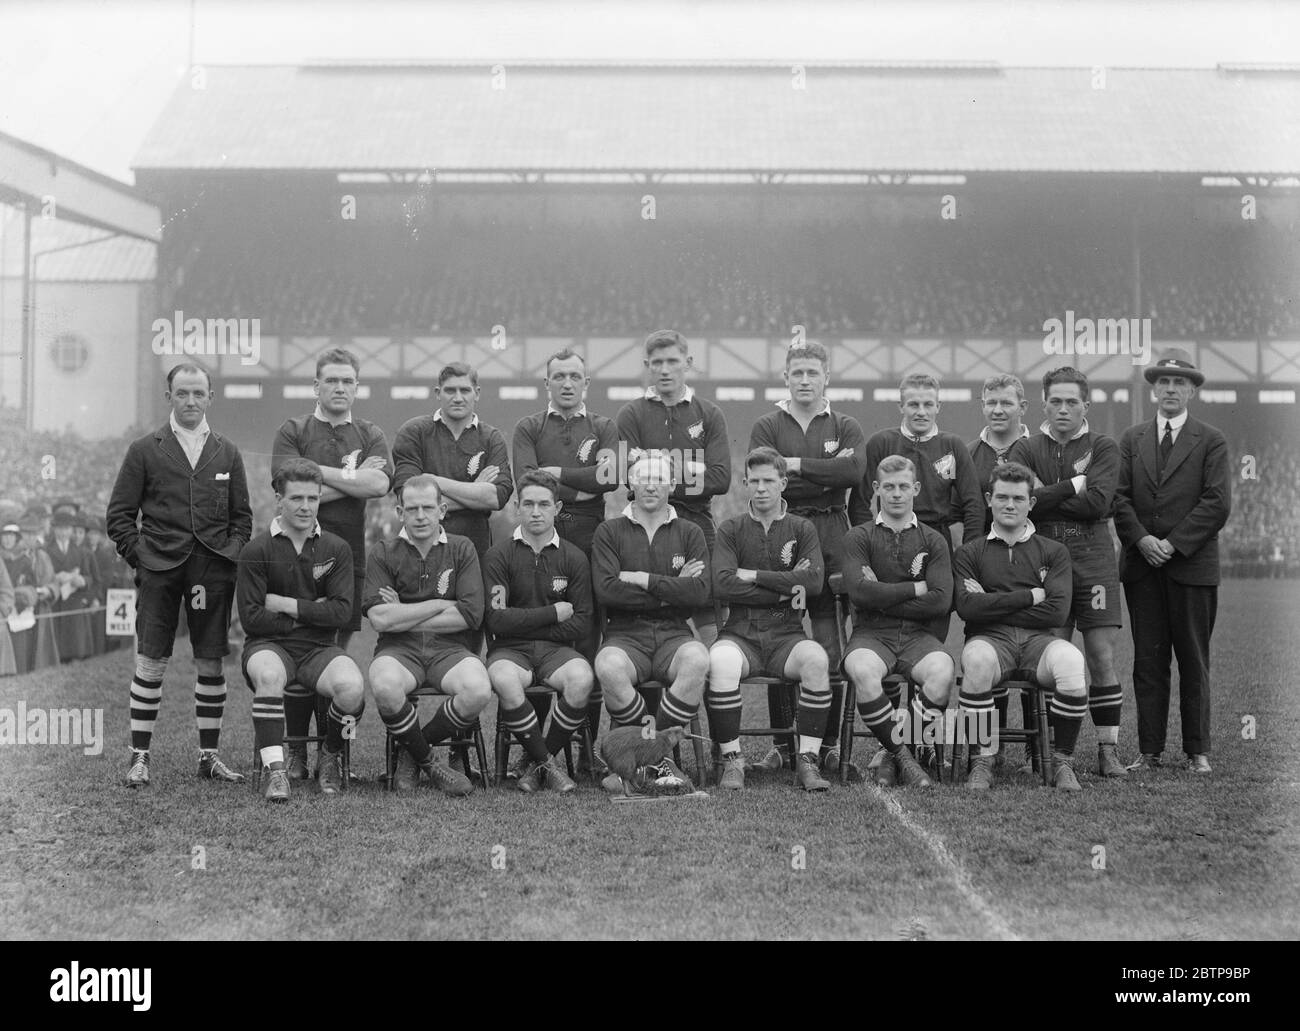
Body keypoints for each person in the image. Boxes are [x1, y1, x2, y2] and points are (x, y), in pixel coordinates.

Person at [107, 362, 252, 787]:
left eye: (198, 393)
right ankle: (139, 756)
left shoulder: (227, 451)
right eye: (182, 393)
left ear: (211, 397)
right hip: (159, 569)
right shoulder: (144, 449)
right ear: (168, 396)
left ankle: (209, 756)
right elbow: (119, 516)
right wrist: (142, 558)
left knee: (210, 659)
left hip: (211, 570)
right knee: (151, 659)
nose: (191, 401)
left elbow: (242, 519)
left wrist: (228, 557)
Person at [271, 347, 393, 777]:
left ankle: (329, 752)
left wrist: (313, 481)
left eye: (348, 381)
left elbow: (379, 483)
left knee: (333, 654)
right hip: (295, 557)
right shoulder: (294, 428)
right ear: (316, 386)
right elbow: (286, 485)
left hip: (347, 559)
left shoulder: (370, 432)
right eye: (331, 380)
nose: (340, 388)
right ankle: (297, 755)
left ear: (357, 387)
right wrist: (350, 480)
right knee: (295, 648)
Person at [748, 341, 866, 775]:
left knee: (827, 642)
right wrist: (820, 470)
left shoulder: (845, 423)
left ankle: (828, 742)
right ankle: (782, 744)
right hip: (781, 530)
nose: (804, 380)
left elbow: (852, 473)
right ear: (785, 377)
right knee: (779, 638)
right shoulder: (766, 423)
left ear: (826, 378)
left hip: (833, 533)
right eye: (796, 373)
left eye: (812, 373)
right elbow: (766, 474)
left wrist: (795, 465)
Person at [1113, 348, 1231, 774]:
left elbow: (1216, 504)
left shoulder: (1211, 440)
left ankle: (1197, 750)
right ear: (1153, 389)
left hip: (1192, 568)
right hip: (1142, 568)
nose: (1170, 389)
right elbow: (1119, 497)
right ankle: (1150, 751)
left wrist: (1172, 544)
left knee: (1194, 659)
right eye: (1163, 382)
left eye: (1179, 383)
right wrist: (1143, 540)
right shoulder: (1131, 439)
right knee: (1148, 659)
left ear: (1192, 391)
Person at [1007, 367, 1128, 778]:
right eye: (1055, 401)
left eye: (1071, 402)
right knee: (1048, 656)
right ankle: (1044, 754)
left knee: (1099, 654)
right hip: (1042, 561)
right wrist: (1075, 485)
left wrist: (1049, 494)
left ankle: (1107, 750)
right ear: (1043, 404)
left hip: (1093, 560)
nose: (1063, 409)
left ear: (1085, 406)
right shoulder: (1026, 448)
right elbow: (1026, 504)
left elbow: (1098, 504)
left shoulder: (1104, 446)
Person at [237, 458, 365, 803]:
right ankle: (277, 771)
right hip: (269, 646)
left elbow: (341, 612)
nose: (306, 506)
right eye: (296, 498)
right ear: (279, 498)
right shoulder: (256, 550)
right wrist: (312, 611)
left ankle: (330, 755)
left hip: (320, 649)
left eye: (313, 498)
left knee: (352, 688)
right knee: (267, 676)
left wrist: (286, 605)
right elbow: (251, 619)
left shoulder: (336, 548)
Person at [953, 462, 1088, 791]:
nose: (1009, 505)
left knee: (1072, 661)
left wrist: (993, 602)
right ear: (989, 499)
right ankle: (982, 759)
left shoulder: (1054, 551)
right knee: (977, 662)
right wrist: (1030, 596)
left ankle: (1061, 762)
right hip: (989, 641)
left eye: (1017, 498)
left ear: (1032, 503)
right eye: (1001, 497)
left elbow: (1056, 613)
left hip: (1038, 644)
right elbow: (967, 608)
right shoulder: (970, 552)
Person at [511, 347, 618, 755]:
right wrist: (580, 483)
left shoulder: (605, 426)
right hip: (538, 540)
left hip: (591, 540)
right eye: (559, 377)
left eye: (575, 376)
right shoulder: (529, 426)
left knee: (587, 638)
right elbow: (528, 484)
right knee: (537, 636)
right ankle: (535, 745)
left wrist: (555, 476)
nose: (568, 383)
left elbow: (608, 479)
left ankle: (585, 744)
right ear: (547, 383)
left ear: (587, 383)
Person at [707, 447, 831, 792]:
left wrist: (751, 575)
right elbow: (723, 583)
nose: (761, 488)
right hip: (741, 633)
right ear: (745, 483)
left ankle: (807, 760)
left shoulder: (802, 528)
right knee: (719, 661)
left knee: (817, 660)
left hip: (787, 634)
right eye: (754, 481)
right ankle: (733, 760)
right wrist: (784, 584)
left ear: (783, 483)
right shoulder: (731, 529)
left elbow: (813, 584)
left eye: (769, 481)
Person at [591, 454, 711, 793]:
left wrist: (642, 579)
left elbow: (699, 595)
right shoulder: (609, 531)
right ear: (630, 484)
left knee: (698, 659)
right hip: (626, 634)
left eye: (659, 477)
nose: (650, 484)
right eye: (641, 477)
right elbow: (608, 591)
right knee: (608, 666)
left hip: (674, 633)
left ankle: (653, 758)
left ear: (672, 485)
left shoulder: (690, 531)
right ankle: (653, 758)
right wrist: (673, 587)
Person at [363, 474, 489, 796]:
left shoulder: (462, 548)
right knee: (385, 686)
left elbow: (470, 615)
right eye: (412, 508)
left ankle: (413, 750)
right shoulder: (383, 551)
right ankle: (430, 762)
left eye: (428, 508)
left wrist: (402, 613)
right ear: (400, 512)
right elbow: (379, 619)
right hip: (398, 649)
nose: (420, 516)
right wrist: (438, 603)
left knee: (477, 690)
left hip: (449, 649)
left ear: (442, 510)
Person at [840, 456, 954, 789]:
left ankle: (891, 751)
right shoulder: (858, 537)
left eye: (904, 486)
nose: (896, 494)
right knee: (862, 670)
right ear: (876, 489)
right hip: (871, 635)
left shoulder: (933, 540)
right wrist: (914, 589)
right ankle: (904, 755)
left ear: (916, 489)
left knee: (942, 672)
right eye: (888, 487)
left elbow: (940, 601)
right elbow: (860, 594)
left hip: (920, 637)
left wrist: (883, 596)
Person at [615, 330, 730, 646]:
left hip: (697, 523)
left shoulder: (709, 414)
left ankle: (714, 692)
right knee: (649, 612)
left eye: (672, 361)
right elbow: (628, 478)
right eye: (657, 363)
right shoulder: (632, 413)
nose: (664, 370)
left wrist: (654, 462)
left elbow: (720, 479)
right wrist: (694, 467)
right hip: (645, 528)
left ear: (688, 363)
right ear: (647, 365)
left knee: (709, 618)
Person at [483, 470, 593, 794]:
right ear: (516, 506)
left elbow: (583, 620)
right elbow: (496, 621)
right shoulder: (498, 555)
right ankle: (548, 765)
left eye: (543, 504)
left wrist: (532, 626)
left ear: (557, 507)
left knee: (582, 678)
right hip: (509, 651)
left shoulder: (574, 557)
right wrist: (551, 614)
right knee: (503, 678)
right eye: (528, 503)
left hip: (555, 651)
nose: (535, 511)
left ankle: (535, 764)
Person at [391, 361, 513, 559]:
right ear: (438, 393)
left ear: (477, 393)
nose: (458, 398)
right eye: (450, 391)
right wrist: (475, 491)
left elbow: (495, 498)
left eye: (465, 390)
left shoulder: (492, 438)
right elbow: (408, 500)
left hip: (475, 552)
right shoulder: (414, 432)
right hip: (418, 553)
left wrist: (433, 481)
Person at [849, 373, 984, 550]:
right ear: (901, 406)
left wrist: (968, 552)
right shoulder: (881, 443)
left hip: (937, 542)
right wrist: (872, 543)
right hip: (889, 540)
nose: (921, 412)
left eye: (928, 404)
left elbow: (974, 504)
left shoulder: (952, 446)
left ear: (938, 406)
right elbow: (858, 503)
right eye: (913, 404)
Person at [967, 374, 1031, 535]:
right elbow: (956, 514)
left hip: (1031, 553)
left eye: (1006, 403)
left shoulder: (1042, 451)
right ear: (983, 406)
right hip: (979, 552)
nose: (997, 410)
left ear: (1022, 407)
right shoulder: (967, 454)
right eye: (991, 403)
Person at [1, 522, 59, 673]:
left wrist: (22, 594)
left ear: (16, 539)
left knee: (20, 649)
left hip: (19, 610)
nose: (7, 540)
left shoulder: (25, 560)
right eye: (4, 537)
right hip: (3, 608)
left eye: (11, 537)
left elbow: (31, 584)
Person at [46, 510, 97, 662]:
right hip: (55, 604)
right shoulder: (46, 551)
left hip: (74, 605)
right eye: (60, 529)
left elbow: (90, 577)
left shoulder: (80, 552)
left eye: (66, 529)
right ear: (54, 529)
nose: (63, 532)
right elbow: (41, 577)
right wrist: (56, 578)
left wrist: (82, 580)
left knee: (74, 649)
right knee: (55, 650)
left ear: (71, 530)